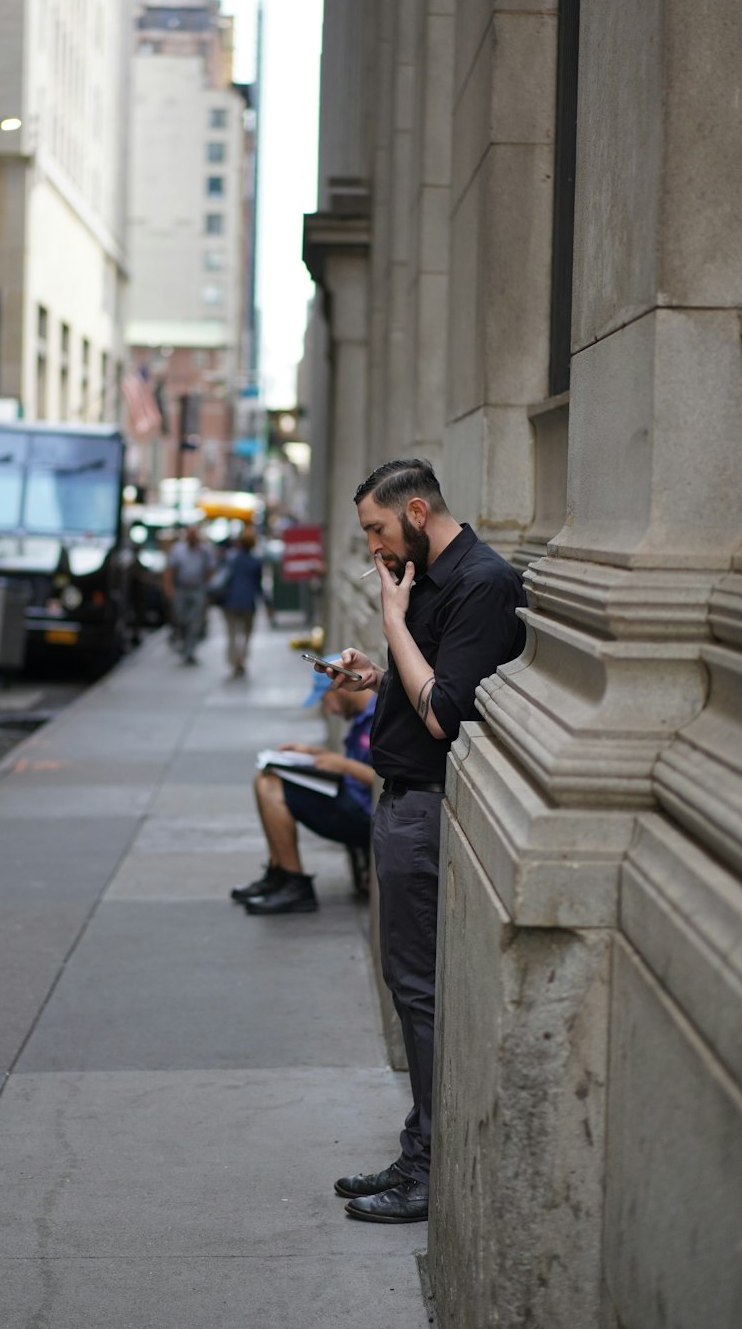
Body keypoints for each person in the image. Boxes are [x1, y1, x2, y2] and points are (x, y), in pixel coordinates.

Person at [321, 458, 526, 1224]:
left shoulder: (481, 582)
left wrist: (394, 625)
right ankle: (417, 1150)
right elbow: (421, 683)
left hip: (429, 808)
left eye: (377, 529)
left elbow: (443, 711)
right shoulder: (428, 576)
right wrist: (378, 674)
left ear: (415, 510)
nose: (373, 548)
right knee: (407, 987)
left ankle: (429, 1170)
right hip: (401, 801)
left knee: (420, 992)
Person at [232, 667, 376, 915]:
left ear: (339, 688)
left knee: (270, 784)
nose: (328, 710)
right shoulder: (362, 716)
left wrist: (343, 765)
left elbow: (386, 779)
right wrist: (313, 754)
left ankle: (295, 883)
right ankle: (280, 873)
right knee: (266, 775)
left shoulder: (379, 716)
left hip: (366, 813)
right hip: (352, 798)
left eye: (324, 700)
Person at [165, 524, 214, 665]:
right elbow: (170, 570)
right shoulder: (178, 550)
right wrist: (169, 588)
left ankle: (189, 651)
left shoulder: (205, 551)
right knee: (181, 618)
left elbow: (210, 570)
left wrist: (207, 588)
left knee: (195, 621)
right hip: (181, 588)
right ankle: (183, 642)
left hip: (198, 589)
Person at [219, 526, 264, 679]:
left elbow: (223, 578)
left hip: (230, 601)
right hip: (248, 603)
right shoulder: (255, 562)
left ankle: (234, 662)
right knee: (245, 635)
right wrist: (267, 603)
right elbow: (258, 586)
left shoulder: (231, 559)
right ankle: (241, 661)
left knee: (232, 634)